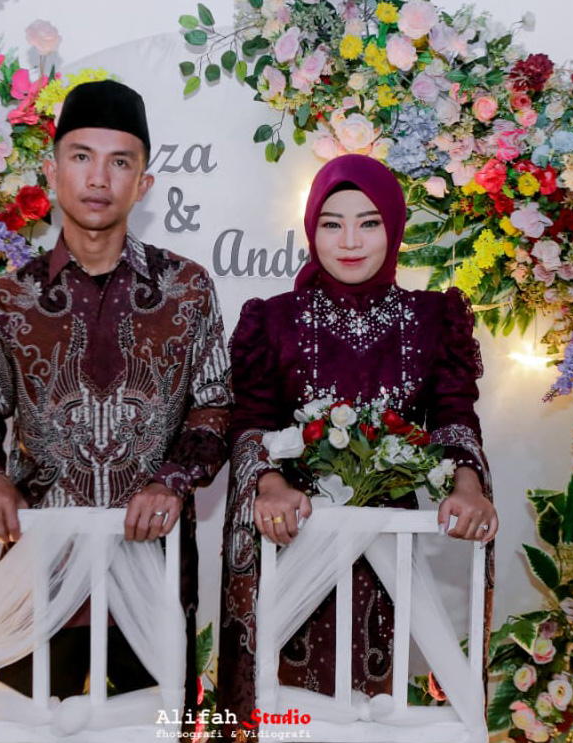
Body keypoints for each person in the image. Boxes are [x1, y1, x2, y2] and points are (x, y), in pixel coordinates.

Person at [0, 79, 232, 710]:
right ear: (52, 172)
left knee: (156, 728)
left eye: (119, 162)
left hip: (153, 567)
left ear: (143, 183)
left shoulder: (187, 289)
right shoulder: (8, 298)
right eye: (81, 157)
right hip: (40, 572)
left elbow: (214, 407)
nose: (99, 177)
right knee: (26, 729)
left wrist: (171, 483)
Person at [216, 154, 496, 736]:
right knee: (287, 715)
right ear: (311, 229)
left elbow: (453, 415)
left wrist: (468, 485)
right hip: (292, 542)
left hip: (388, 558)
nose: (349, 241)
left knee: (375, 715)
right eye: (331, 223)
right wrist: (270, 483)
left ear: (393, 229)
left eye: (369, 223)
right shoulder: (274, 320)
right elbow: (250, 421)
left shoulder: (430, 319)